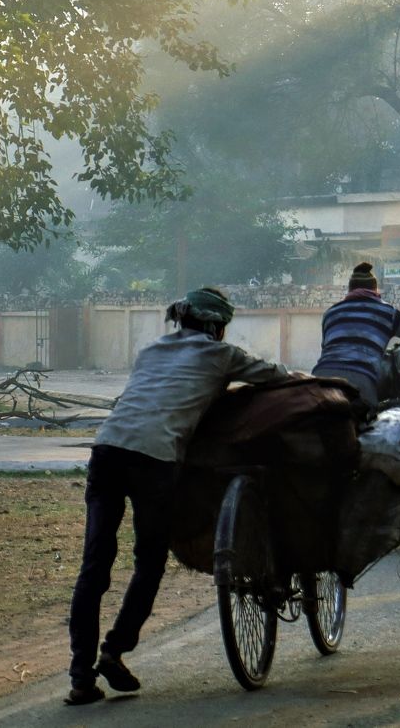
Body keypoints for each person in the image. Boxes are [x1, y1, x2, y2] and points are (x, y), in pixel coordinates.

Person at [66, 287, 291, 705]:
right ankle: (114, 651)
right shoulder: (222, 355)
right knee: (149, 562)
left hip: (107, 450)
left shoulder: (151, 350)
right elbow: (277, 376)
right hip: (155, 459)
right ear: (216, 326)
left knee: (94, 566)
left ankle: (80, 678)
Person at [312, 262, 400, 407]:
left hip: (320, 377)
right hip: (360, 378)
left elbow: (326, 348)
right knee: (366, 419)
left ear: (350, 289)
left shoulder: (331, 313)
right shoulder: (387, 313)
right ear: (375, 290)